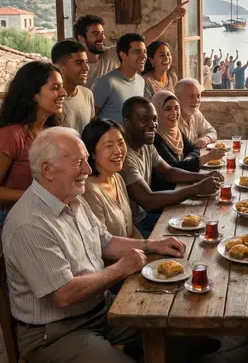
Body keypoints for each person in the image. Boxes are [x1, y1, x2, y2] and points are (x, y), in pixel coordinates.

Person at [2, 126, 187, 363]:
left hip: (97, 309)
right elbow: (64, 294)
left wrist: (152, 244)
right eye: (79, 163)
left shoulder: (72, 198)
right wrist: (120, 269)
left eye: (86, 161)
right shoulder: (29, 223)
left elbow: (105, 241)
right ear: (48, 170)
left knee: (176, 330)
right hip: (57, 332)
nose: (88, 170)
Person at [120, 97, 223, 237]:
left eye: (154, 119)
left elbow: (168, 171)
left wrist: (203, 176)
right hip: (135, 226)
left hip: (148, 216)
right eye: (144, 120)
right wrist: (197, 188)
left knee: (206, 222)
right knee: (195, 233)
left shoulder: (146, 145)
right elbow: (148, 201)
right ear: (127, 122)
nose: (152, 125)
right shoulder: (124, 156)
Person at [0, 61, 65, 230]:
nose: (63, 93)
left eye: (62, 87)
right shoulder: (12, 135)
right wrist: (40, 196)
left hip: (49, 219)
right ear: (33, 94)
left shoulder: (54, 132)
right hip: (18, 222)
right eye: (55, 88)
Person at [74, 2, 187, 88]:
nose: (102, 38)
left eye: (102, 33)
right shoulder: (75, 66)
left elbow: (145, 38)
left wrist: (172, 16)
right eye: (95, 34)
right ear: (81, 38)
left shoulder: (112, 54)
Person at [82, 118, 141, 238]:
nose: (118, 151)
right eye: (109, 146)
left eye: (121, 143)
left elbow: (130, 227)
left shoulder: (117, 178)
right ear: (92, 153)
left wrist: (148, 248)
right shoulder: (89, 191)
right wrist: (147, 246)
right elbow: (103, 245)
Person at [151, 91, 225, 178]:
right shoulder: (155, 138)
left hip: (182, 182)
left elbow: (194, 149)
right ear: (157, 111)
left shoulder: (176, 131)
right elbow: (174, 169)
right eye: (168, 109)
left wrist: (187, 161)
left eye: (176, 108)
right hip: (168, 189)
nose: (174, 113)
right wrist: (205, 158)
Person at [91, 33, 146, 125]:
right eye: (137, 52)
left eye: (144, 51)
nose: (143, 56)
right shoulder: (106, 82)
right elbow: (90, 119)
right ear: (123, 55)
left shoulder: (141, 81)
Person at [51, 40, 94, 134]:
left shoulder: (87, 94)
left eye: (86, 62)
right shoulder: (50, 100)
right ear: (59, 67)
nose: (86, 68)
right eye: (79, 63)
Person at [175, 78, 217, 148]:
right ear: (177, 97)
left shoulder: (196, 113)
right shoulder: (171, 118)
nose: (196, 101)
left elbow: (212, 132)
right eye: (191, 96)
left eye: (198, 96)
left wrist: (204, 140)